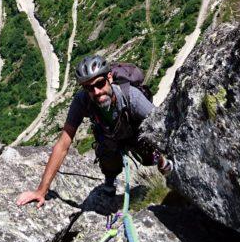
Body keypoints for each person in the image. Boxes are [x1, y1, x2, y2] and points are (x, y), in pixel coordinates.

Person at [16, 54, 173, 209]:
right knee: (106, 153)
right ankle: (110, 181)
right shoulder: (82, 100)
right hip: (109, 134)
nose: (97, 92)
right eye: (89, 88)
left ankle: (161, 163)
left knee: (148, 155)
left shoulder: (132, 97)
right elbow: (63, 143)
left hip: (135, 132)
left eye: (100, 83)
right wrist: (41, 191)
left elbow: (160, 126)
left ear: (109, 78)